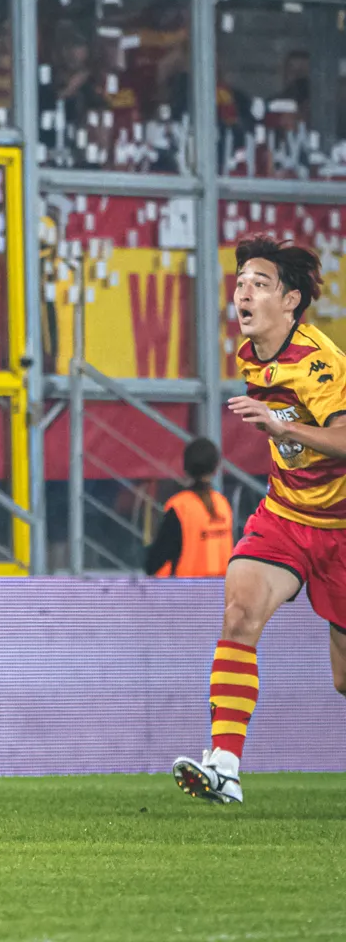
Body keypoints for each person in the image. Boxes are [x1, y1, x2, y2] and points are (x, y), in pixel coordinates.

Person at [172, 239, 346, 805]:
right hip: (286, 513)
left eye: (260, 283)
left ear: (291, 300)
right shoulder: (252, 352)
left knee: (343, 679)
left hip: (341, 528)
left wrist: (283, 427)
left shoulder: (319, 364)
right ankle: (224, 766)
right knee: (240, 613)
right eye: (241, 281)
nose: (243, 291)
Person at [146, 437, 234, 578]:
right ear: (216, 468)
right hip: (220, 588)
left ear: (185, 468)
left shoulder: (180, 506)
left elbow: (155, 562)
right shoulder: (223, 504)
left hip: (186, 589)